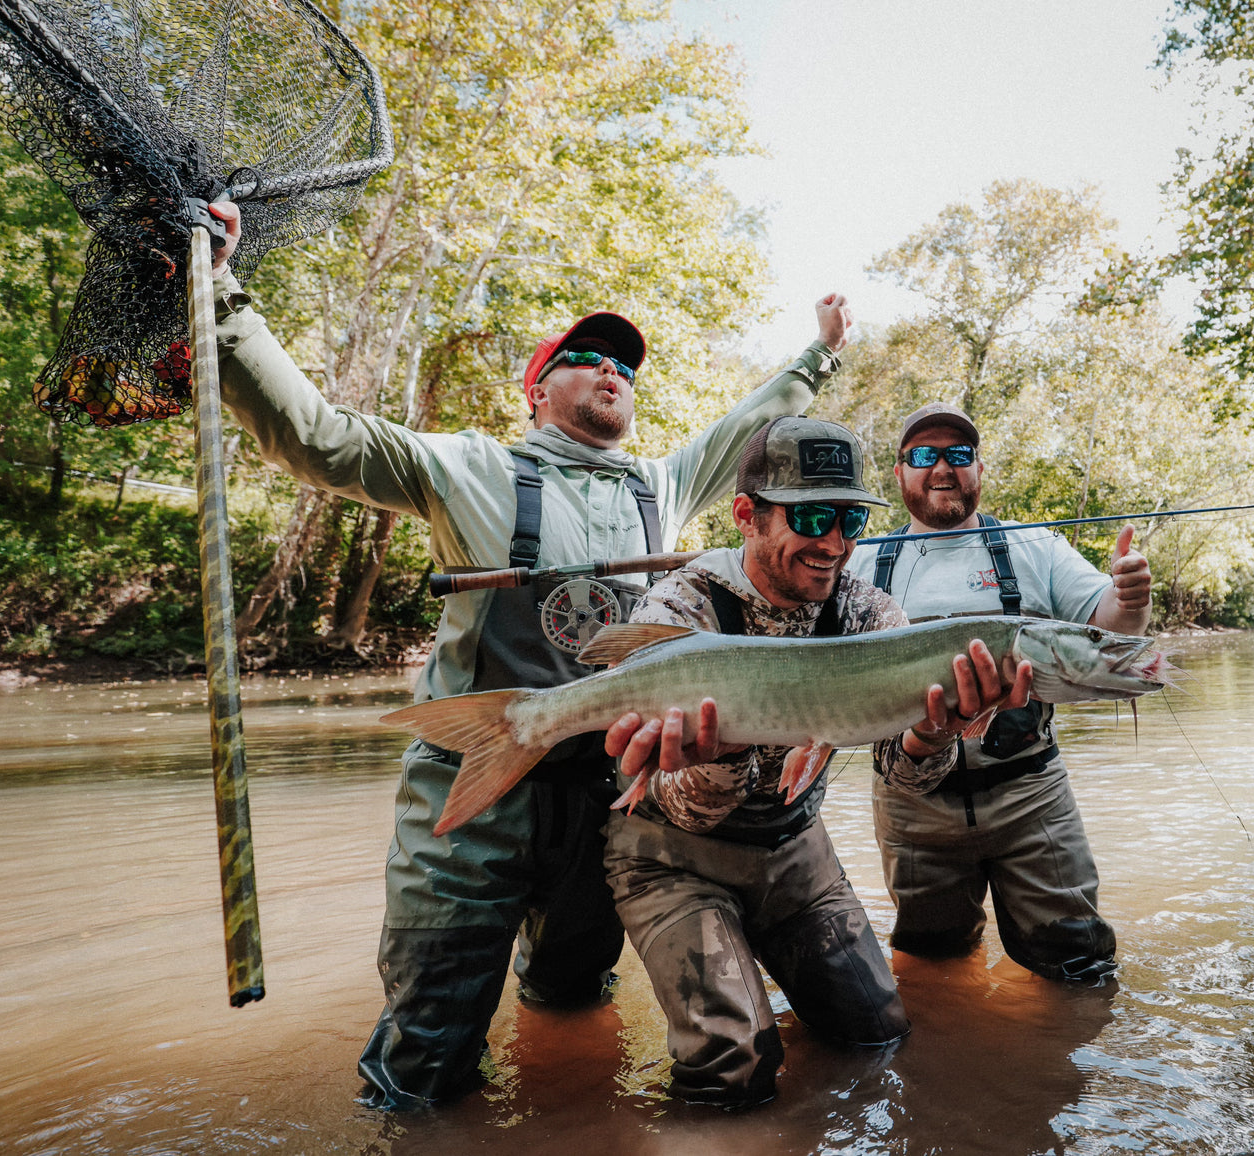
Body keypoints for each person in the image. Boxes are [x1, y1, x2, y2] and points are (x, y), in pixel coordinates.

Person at [205, 202, 856, 1109]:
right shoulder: (465, 466)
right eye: (586, 359)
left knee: (569, 1005)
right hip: (473, 797)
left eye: (625, 365)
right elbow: (313, 436)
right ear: (536, 388)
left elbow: (754, 420)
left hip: (603, 800)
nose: (611, 372)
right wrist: (223, 296)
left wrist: (818, 352)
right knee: (425, 1053)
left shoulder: (661, 486)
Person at [600, 416, 1034, 1105]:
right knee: (732, 1066)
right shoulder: (681, 608)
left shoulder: (869, 611)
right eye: (809, 516)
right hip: (672, 858)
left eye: (849, 521)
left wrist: (934, 733)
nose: (833, 544)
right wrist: (727, 750)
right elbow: (682, 804)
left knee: (878, 1035)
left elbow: (903, 776)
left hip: (796, 852)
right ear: (747, 516)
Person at [849, 402, 1152, 984]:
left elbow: (1105, 631)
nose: (943, 467)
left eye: (958, 455)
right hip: (912, 805)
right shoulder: (858, 563)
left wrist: (1130, 599)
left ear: (979, 469)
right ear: (899, 473)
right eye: (924, 455)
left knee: (1079, 968)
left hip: (1030, 793)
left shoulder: (1032, 548)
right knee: (935, 970)